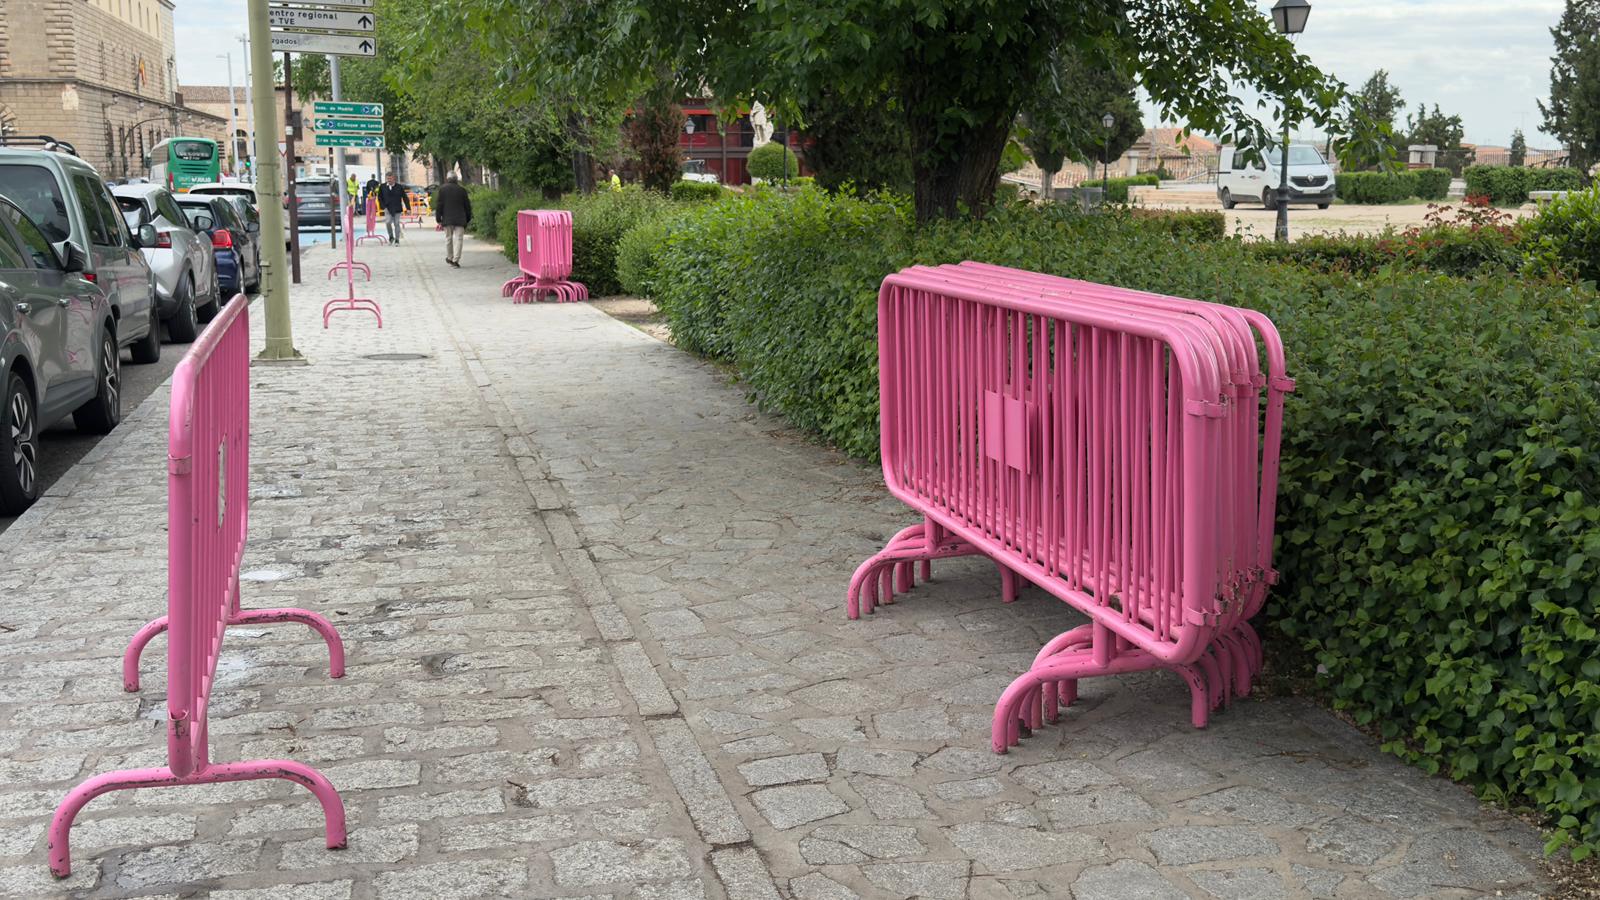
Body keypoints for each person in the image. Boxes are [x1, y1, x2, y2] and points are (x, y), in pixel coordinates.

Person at [434, 174, 472, 268]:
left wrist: (438, 218)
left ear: (447, 179)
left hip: (447, 219)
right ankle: (456, 260)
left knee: (448, 239)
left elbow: (439, 205)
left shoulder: (442, 189)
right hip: (460, 218)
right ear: (456, 180)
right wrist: (468, 218)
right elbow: (467, 206)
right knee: (459, 239)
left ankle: (450, 257)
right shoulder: (462, 190)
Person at [376, 172, 410, 244]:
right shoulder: (382, 187)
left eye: (390, 178)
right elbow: (379, 197)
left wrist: (408, 208)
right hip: (387, 209)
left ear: (393, 178)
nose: (389, 180)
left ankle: (397, 239)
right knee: (388, 222)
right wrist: (383, 207)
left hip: (397, 208)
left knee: (396, 223)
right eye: (388, 178)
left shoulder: (399, 187)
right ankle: (391, 237)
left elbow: (405, 198)